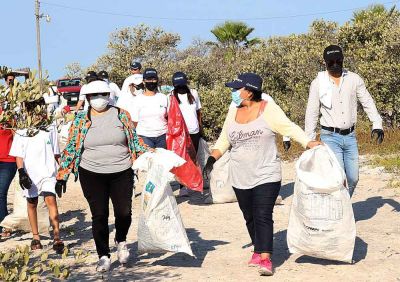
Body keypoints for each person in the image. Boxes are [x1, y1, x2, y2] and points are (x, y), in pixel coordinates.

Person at [203, 73, 321, 276]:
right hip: (240, 175)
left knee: (262, 214)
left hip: (267, 173)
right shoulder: (233, 112)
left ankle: (265, 259)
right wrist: (212, 159)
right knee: (249, 215)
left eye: (236, 89)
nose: (233, 92)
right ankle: (258, 249)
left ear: (248, 91)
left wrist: (307, 142)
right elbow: (224, 139)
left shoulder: (268, 109)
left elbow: (288, 127)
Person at [57, 80, 149, 272]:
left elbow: (135, 141)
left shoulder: (122, 115)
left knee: (124, 212)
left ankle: (121, 240)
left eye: (103, 95)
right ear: (88, 98)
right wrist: (62, 175)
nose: (99, 99)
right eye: (94, 95)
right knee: (99, 215)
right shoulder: (81, 119)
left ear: (109, 96)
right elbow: (72, 147)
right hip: (91, 173)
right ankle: (103, 255)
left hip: (122, 170)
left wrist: (152, 154)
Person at [305, 45, 384, 197]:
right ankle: (341, 215)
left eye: (338, 61)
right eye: (330, 62)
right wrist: (309, 139)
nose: (334, 65)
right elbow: (312, 111)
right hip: (330, 136)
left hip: (350, 137)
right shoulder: (318, 83)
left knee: (353, 178)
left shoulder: (354, 79)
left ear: (342, 60)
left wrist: (377, 124)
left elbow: (367, 101)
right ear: (324, 62)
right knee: (338, 178)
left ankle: (341, 209)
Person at [8, 100, 64, 252]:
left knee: (51, 200)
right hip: (30, 173)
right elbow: (19, 154)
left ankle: (57, 237)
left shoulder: (50, 127)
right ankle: (36, 236)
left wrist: (62, 172)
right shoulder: (22, 130)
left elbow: (56, 152)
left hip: (48, 172)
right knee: (32, 203)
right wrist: (21, 172)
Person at [170, 71, 203, 197]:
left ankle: (194, 183)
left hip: (194, 131)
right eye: (178, 85)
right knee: (182, 160)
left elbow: (199, 111)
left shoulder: (194, 93)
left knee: (193, 159)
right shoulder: (171, 96)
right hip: (180, 133)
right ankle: (182, 186)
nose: (181, 88)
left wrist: (201, 129)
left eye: (182, 85)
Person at [131, 68, 168, 149]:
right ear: (144, 81)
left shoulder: (164, 98)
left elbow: (168, 116)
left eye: (154, 79)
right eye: (148, 79)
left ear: (157, 80)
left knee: (162, 161)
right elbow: (134, 121)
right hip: (145, 137)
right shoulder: (137, 99)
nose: (151, 82)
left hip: (163, 136)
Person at [0, 73, 17, 239]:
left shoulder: (9, 117)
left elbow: (17, 134)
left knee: (1, 192)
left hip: (8, 160)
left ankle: (4, 226)